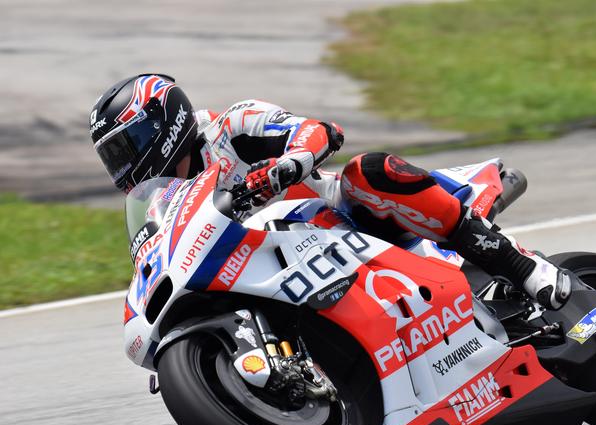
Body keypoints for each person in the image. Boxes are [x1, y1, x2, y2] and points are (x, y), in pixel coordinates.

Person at [90, 74, 570, 309]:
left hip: (338, 223)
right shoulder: (162, 200)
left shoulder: (232, 127)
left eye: (124, 148)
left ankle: (524, 269)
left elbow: (318, 131)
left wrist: (287, 165)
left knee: (368, 172)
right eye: (112, 157)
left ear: (164, 123)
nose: (123, 166)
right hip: (268, 268)